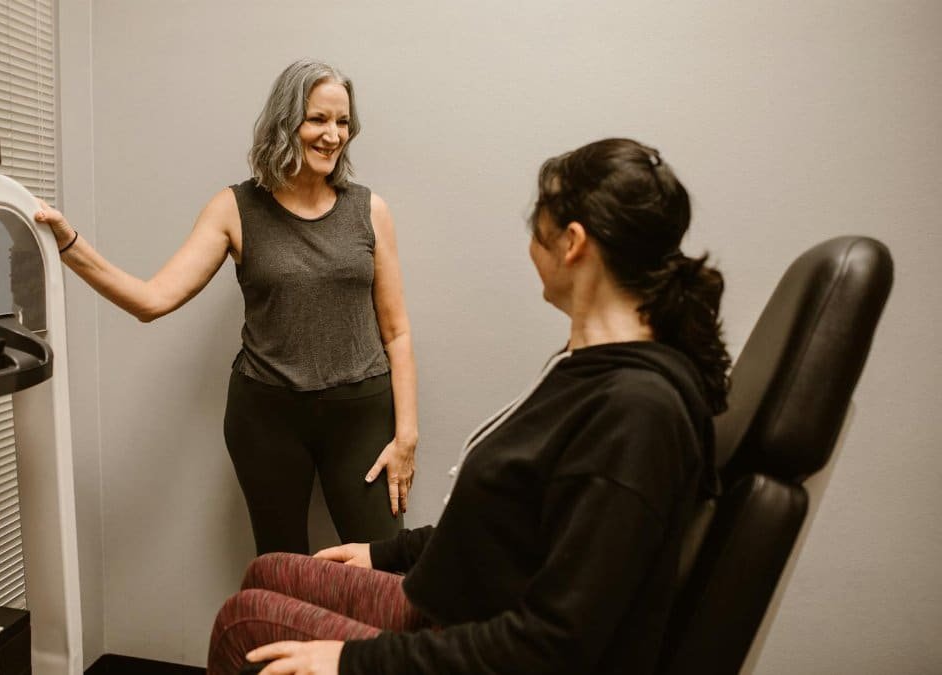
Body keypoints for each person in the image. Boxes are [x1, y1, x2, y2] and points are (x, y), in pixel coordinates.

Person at [207, 138, 732, 674]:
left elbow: (553, 647)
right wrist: (387, 554)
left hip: (487, 641)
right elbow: (515, 519)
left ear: (572, 243)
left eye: (537, 225)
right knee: (271, 573)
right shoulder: (593, 370)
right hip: (472, 605)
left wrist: (351, 662)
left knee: (244, 622)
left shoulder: (635, 413)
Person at [34, 59, 418, 555]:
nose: (333, 135)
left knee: (385, 570)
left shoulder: (369, 210)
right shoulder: (235, 208)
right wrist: (70, 245)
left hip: (361, 414)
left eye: (342, 122)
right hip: (267, 418)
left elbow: (397, 332)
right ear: (286, 121)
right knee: (280, 569)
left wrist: (406, 435)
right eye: (317, 119)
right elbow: (152, 301)